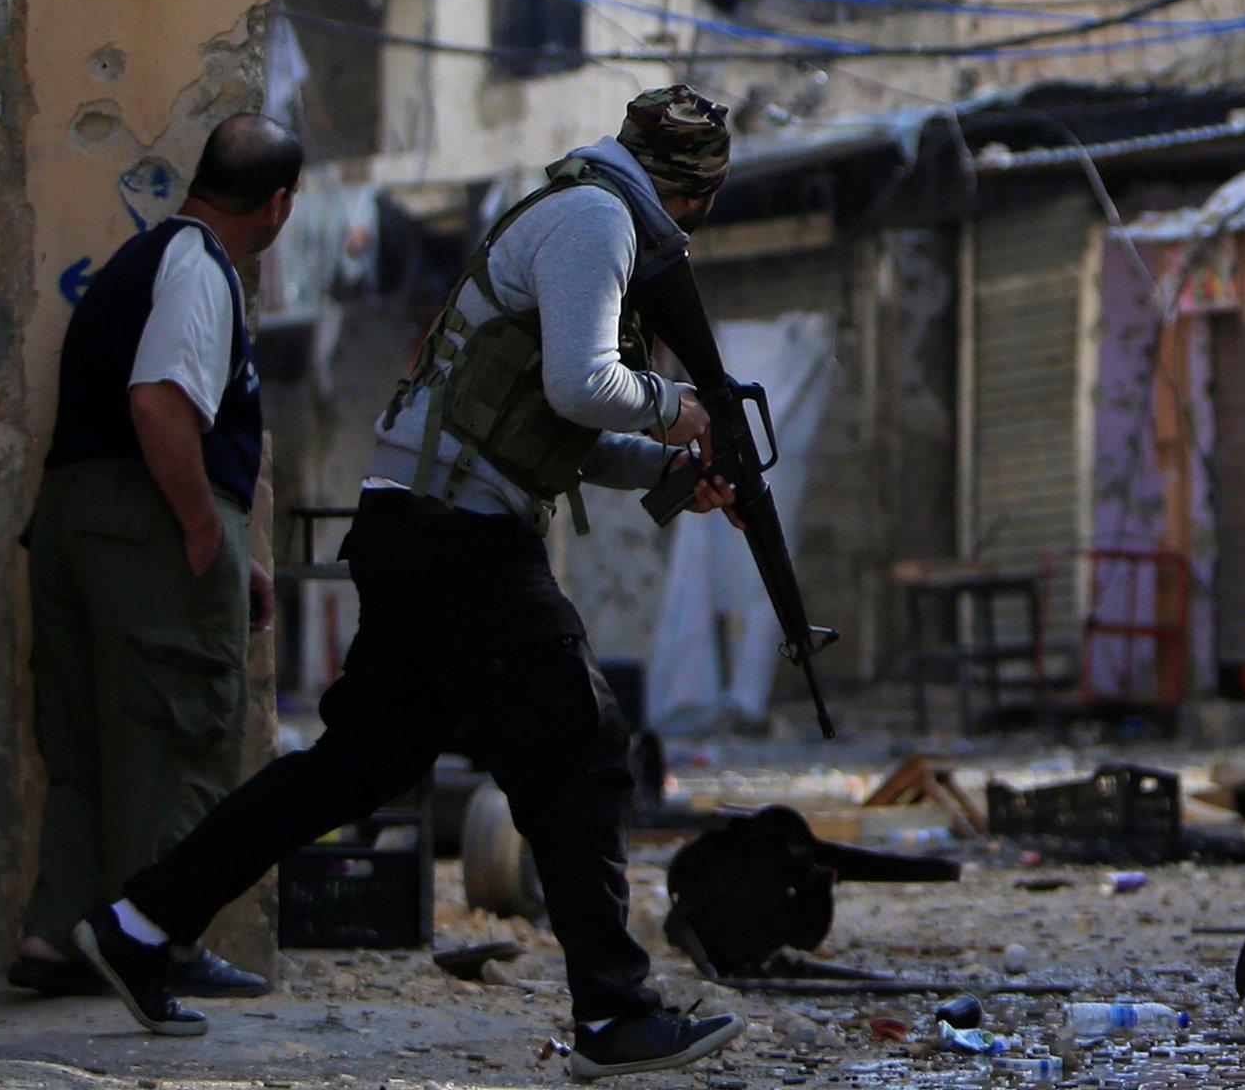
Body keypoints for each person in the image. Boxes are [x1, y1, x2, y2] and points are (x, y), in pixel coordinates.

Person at [74, 85, 747, 1080]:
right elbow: (583, 388)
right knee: (581, 746)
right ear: (690, 193)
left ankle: (139, 923)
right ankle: (614, 1012)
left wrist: (666, 473)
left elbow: (550, 432)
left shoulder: (570, 210)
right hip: (455, 539)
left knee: (352, 766)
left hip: (421, 524)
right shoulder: (598, 222)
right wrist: (676, 408)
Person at [12, 114, 303, 1000]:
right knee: (177, 736)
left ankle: (59, 939)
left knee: (90, 744)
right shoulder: (199, 267)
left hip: (75, 519)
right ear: (281, 205)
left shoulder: (141, 261)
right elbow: (158, 404)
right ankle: (156, 944)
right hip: (144, 518)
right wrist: (202, 527)